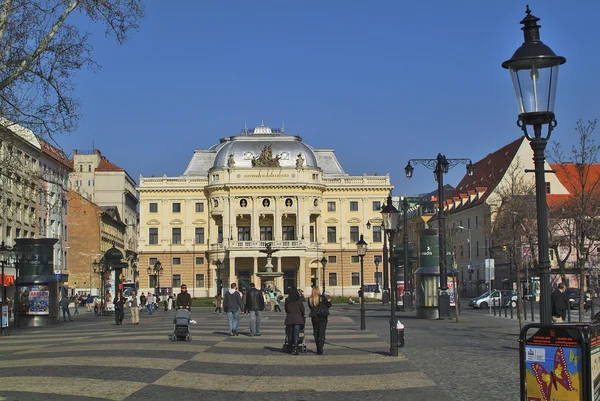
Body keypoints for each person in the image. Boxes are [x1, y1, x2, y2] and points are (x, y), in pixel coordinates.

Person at [308, 287, 332, 355]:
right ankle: (320, 348)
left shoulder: (310, 298)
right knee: (322, 332)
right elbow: (328, 305)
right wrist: (329, 301)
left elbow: (310, 307)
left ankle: (318, 346)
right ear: (318, 291)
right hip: (322, 317)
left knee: (316, 332)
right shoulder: (322, 297)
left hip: (314, 317)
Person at [284, 287, 305, 355]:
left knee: (290, 333)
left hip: (290, 318)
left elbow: (286, 309)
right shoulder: (299, 300)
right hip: (298, 318)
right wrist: (302, 315)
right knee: (296, 333)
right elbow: (302, 309)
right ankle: (295, 348)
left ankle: (290, 347)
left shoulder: (287, 300)